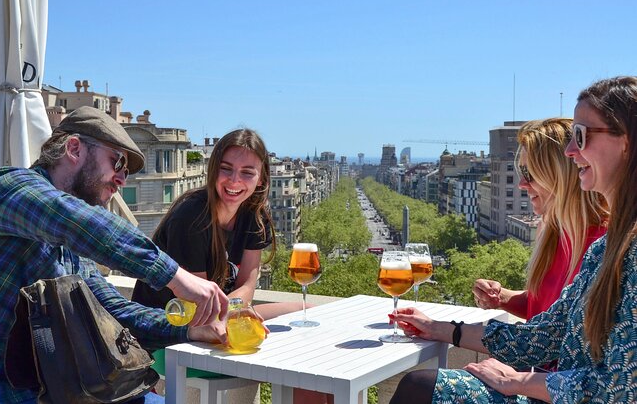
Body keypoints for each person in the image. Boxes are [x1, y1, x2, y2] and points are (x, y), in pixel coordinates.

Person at [389, 76, 637, 403]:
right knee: (422, 386)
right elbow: (543, 334)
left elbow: (620, 388)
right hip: (548, 392)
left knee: (420, 389)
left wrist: (518, 382)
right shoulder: (603, 250)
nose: (570, 151)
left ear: (626, 142)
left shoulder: (621, 249)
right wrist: (439, 328)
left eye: (581, 136)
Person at [0, 106, 229, 403]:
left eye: (126, 172)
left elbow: (114, 312)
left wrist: (189, 330)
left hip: (55, 391)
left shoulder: (73, 248)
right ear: (74, 148)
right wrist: (175, 275)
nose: (121, 180)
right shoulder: (7, 188)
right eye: (116, 162)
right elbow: (75, 221)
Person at [132, 128, 329, 403]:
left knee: (307, 314)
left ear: (261, 177)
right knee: (285, 350)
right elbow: (197, 302)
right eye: (227, 169)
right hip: (173, 330)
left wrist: (235, 312)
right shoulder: (192, 215)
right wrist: (237, 315)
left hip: (217, 315)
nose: (235, 180)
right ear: (213, 171)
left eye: (247, 172)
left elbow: (247, 283)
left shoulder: (254, 215)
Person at [473, 118, 607, 321]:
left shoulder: (605, 243)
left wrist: (449, 330)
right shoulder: (553, 231)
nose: (522, 184)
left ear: (561, 175)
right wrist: (500, 297)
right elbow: (543, 307)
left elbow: (556, 334)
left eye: (530, 173)